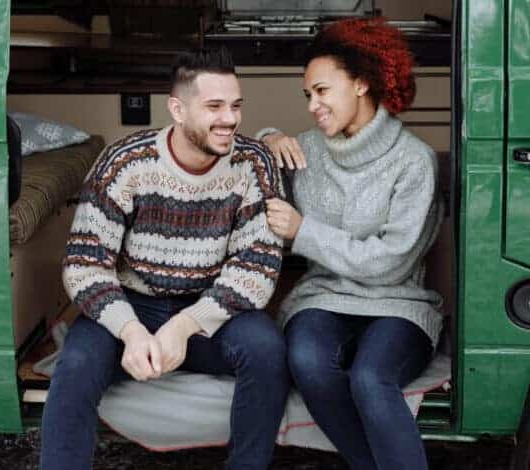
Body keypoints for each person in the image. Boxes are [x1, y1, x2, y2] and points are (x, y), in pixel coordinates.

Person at [40, 48, 290, 470]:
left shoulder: (254, 162)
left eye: (235, 105)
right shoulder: (125, 161)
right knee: (77, 364)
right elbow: (85, 263)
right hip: (133, 302)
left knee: (267, 351)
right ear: (177, 108)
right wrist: (131, 331)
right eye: (214, 106)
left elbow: (256, 270)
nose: (229, 118)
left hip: (213, 309)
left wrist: (184, 325)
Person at [259, 18, 443, 470]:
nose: (312, 106)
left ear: (361, 83)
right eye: (308, 95)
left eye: (322, 91)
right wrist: (268, 138)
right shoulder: (304, 150)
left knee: (370, 376)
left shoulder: (413, 161)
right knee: (305, 358)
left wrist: (304, 232)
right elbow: (249, 162)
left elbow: (391, 263)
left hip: (397, 302)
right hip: (323, 297)